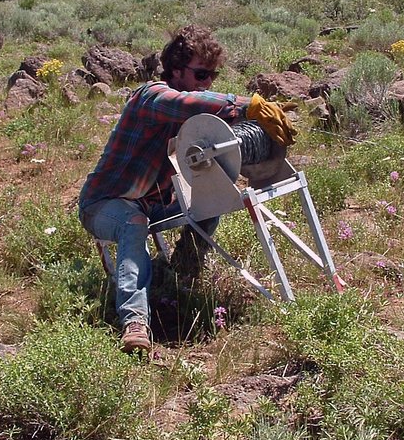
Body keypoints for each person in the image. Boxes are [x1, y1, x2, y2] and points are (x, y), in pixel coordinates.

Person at [78, 24, 296, 353]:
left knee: (213, 199)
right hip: (105, 204)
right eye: (201, 74)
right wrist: (248, 105)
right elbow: (188, 104)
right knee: (131, 222)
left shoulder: (192, 99)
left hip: (153, 203)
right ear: (176, 70)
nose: (207, 82)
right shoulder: (150, 96)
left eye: (213, 75)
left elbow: (210, 117)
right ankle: (135, 323)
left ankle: (182, 274)